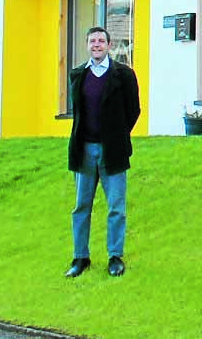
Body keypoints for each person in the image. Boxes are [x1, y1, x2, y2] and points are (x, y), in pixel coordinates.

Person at [65, 27, 141, 278]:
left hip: (113, 151)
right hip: (84, 149)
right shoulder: (78, 74)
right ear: (87, 45)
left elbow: (134, 111)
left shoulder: (124, 74)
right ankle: (80, 257)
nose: (96, 45)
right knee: (81, 206)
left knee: (116, 207)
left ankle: (115, 256)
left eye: (101, 41)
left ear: (109, 45)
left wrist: (116, 134)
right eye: (92, 41)